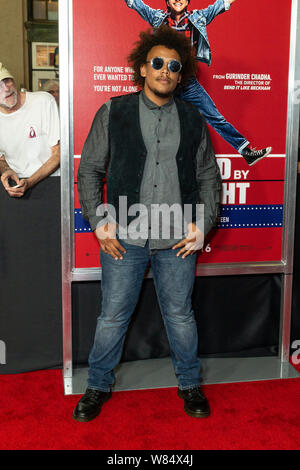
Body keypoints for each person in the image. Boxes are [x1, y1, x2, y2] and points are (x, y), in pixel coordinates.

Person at [73, 26, 222, 422]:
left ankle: (190, 384)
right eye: (157, 63)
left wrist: (202, 225)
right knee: (112, 315)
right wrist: (100, 222)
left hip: (177, 235)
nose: (165, 71)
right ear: (142, 68)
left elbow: (208, 177)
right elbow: (89, 170)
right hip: (124, 234)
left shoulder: (193, 118)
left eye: (173, 66)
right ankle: (97, 386)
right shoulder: (113, 111)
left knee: (180, 315)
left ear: (180, 74)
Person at [123, 0, 272, 166]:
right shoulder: (158, 18)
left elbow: (222, 3)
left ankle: (245, 151)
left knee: (214, 116)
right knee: (152, 118)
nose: (178, 0)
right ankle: (137, 159)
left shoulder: (199, 17)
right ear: (167, 2)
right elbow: (134, 3)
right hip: (164, 80)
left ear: (187, 2)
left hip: (187, 80)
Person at [0, 63, 60, 198]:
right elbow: (1, 158)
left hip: (50, 182)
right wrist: (7, 170)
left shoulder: (43, 101)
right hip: (15, 186)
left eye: (7, 81)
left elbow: (58, 153)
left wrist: (30, 182)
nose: (6, 88)